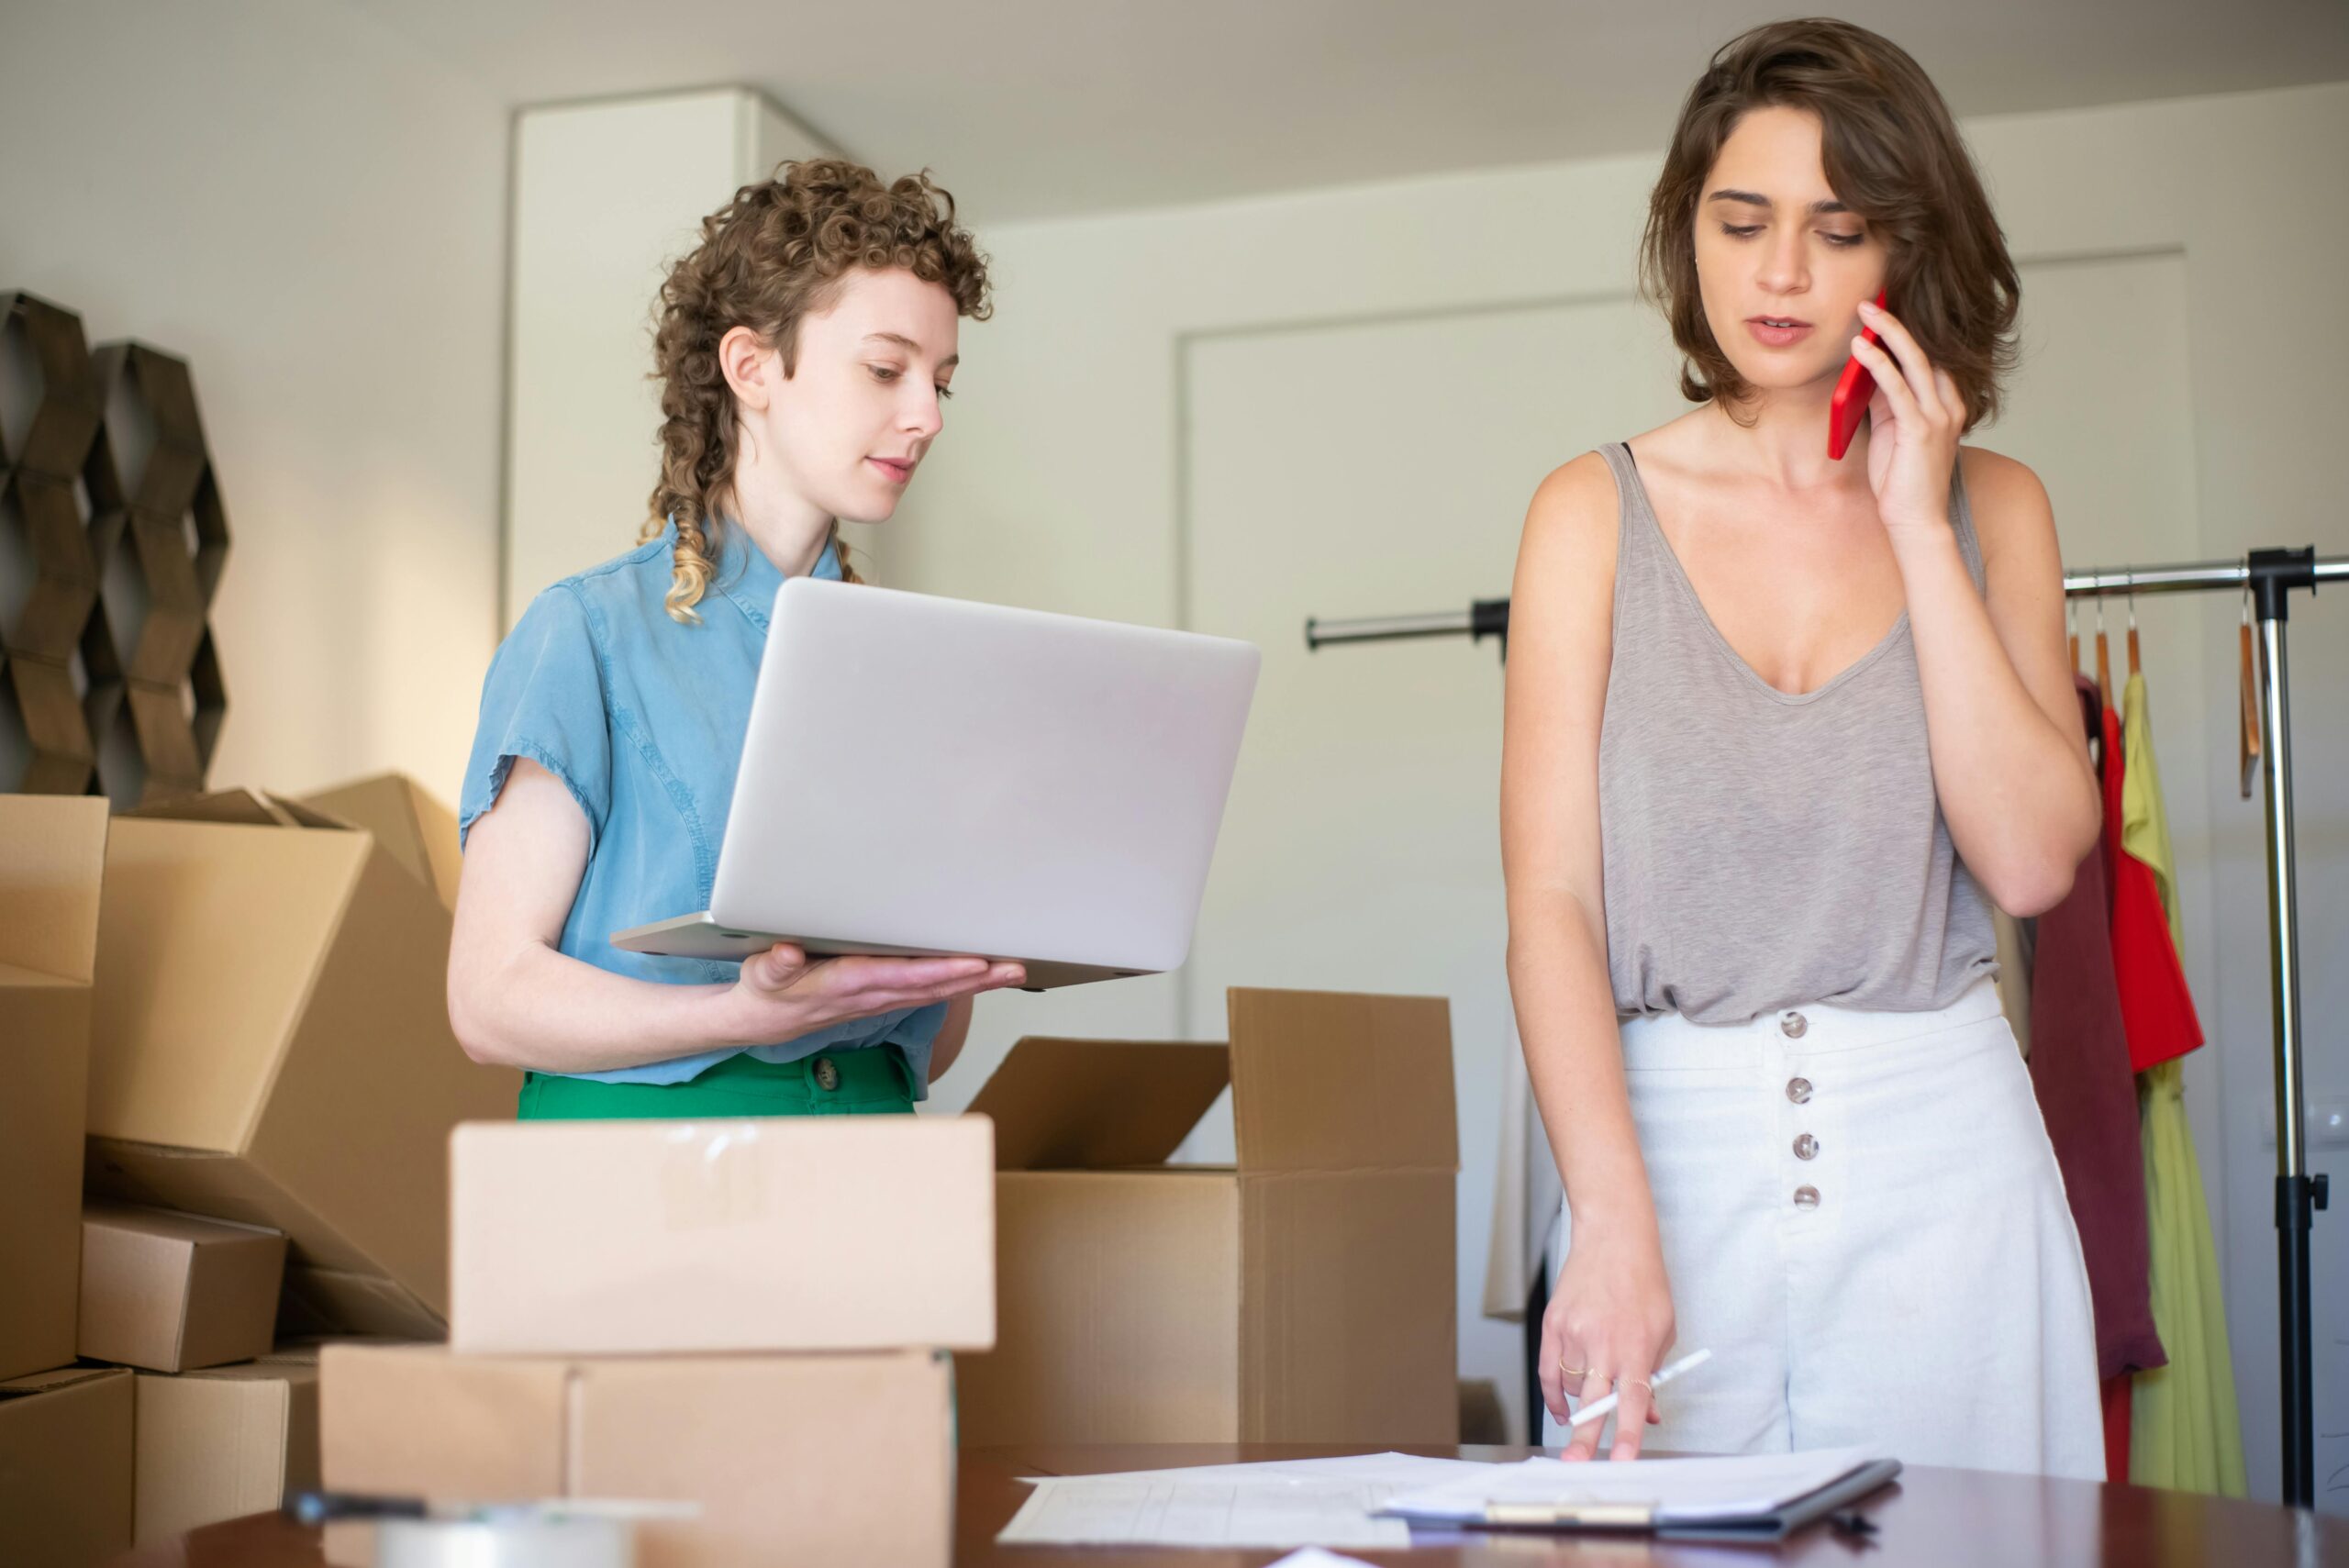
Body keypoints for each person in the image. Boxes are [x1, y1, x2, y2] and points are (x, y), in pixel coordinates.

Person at [1500, 19, 2104, 1478]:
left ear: (1907, 252)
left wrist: (1916, 518)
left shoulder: (1994, 508)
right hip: (1665, 1154)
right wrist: (1612, 1219)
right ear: (1686, 231)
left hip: (1946, 1167)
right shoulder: (1589, 512)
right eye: (1742, 220)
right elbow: (1552, 908)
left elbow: (2031, 861)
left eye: (1838, 232)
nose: (1779, 274)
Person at [447, 159, 1026, 1120]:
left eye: (940, 383)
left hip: (875, 1147)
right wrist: (739, 1011)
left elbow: (924, 1049)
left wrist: (963, 919)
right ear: (751, 366)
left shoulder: (915, 670)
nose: (923, 415)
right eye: (885, 369)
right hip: (646, 1161)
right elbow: (488, 1001)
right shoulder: (587, 633)